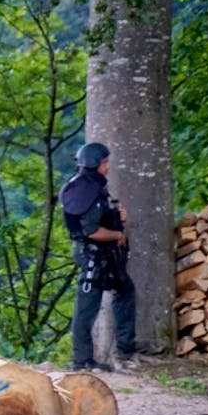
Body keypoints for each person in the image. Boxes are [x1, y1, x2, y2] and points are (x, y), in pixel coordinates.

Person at [59, 142, 139, 372]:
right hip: (93, 255)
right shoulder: (89, 190)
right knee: (87, 305)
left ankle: (124, 349)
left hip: (102, 254)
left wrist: (116, 215)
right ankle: (82, 360)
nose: (108, 166)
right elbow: (91, 231)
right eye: (105, 162)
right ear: (96, 164)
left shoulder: (85, 186)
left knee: (125, 290)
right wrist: (117, 234)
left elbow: (97, 217)